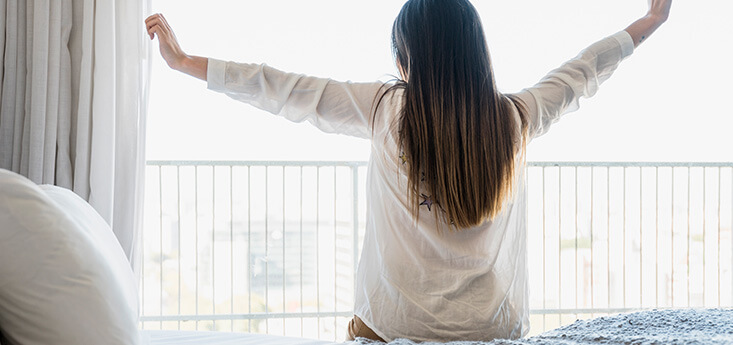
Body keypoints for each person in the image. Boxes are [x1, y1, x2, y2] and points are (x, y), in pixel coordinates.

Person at [145, 0, 670, 342]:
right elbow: (583, 70)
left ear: (405, 59)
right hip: (492, 333)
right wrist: (648, 23)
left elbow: (282, 88)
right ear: (475, 55)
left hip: (389, 330)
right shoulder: (515, 119)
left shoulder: (384, 110)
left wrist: (187, 62)